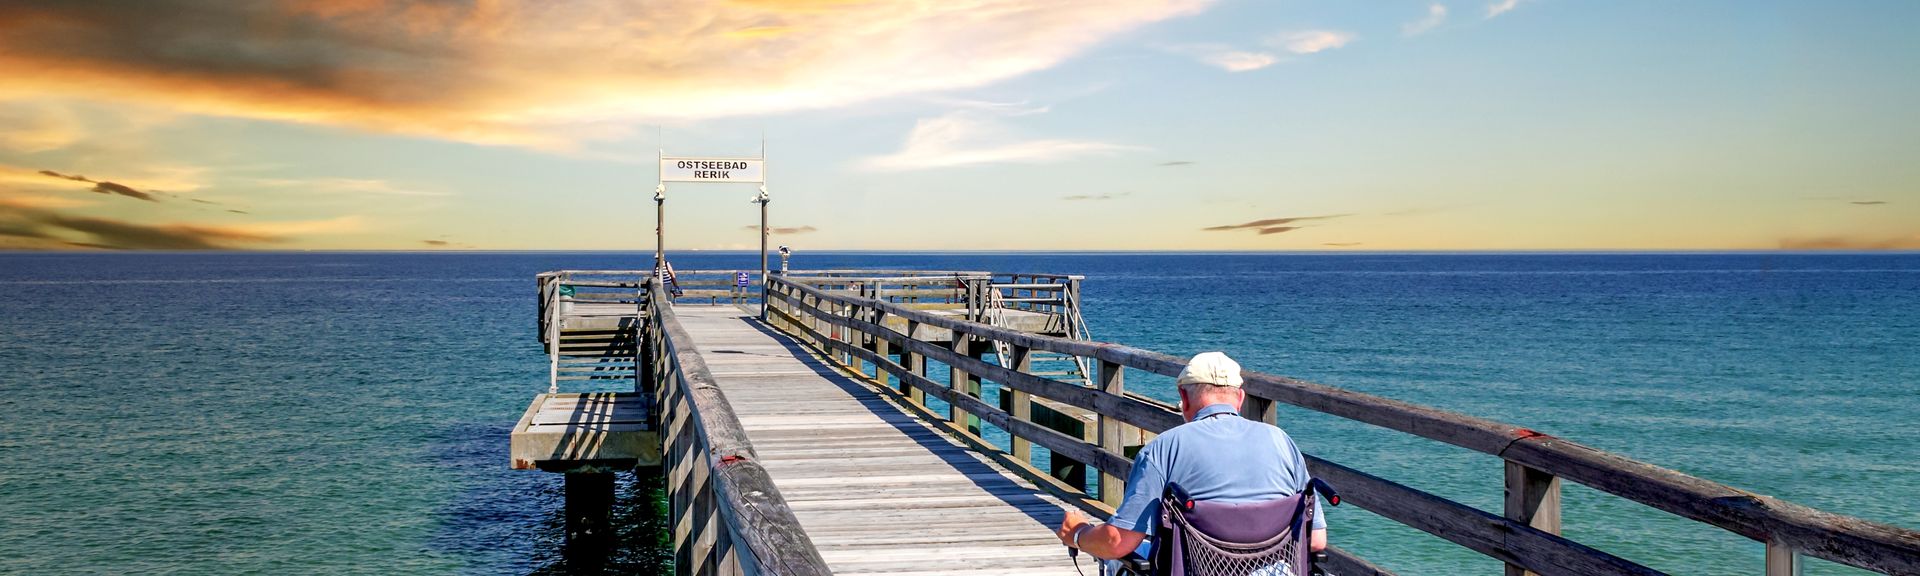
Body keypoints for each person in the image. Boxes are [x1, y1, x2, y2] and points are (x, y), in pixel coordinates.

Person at [1057, 352, 1327, 571]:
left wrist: (1078, 534)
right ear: (1240, 398)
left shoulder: (1164, 449)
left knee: (1121, 557)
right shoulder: (1282, 442)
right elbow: (1315, 540)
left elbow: (1117, 541)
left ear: (1184, 398)